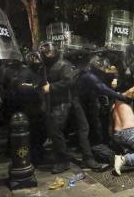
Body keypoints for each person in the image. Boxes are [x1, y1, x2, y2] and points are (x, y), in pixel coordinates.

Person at [39, 41, 76, 174]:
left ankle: (63, 161)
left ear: (55, 51)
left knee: (56, 132)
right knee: (53, 132)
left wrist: (51, 87)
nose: (47, 54)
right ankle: (59, 157)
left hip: (61, 103)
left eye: (49, 52)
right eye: (45, 52)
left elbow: (69, 81)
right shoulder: (45, 65)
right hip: (51, 103)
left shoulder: (63, 64)